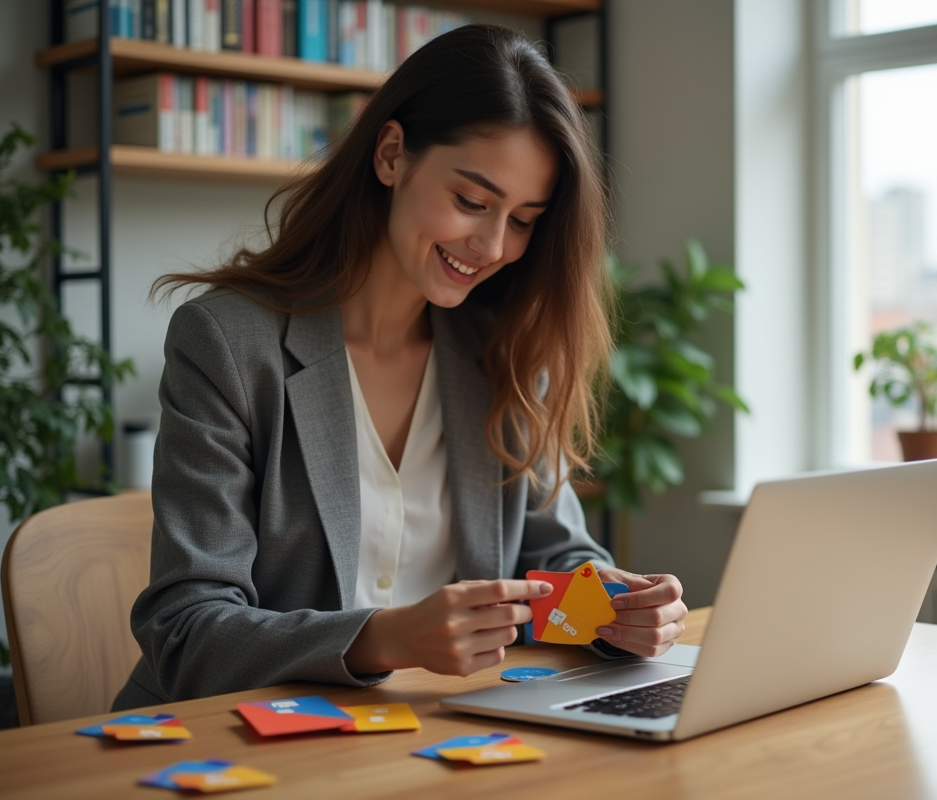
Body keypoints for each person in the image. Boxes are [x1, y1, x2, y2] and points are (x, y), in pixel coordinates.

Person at [112, 24, 687, 710]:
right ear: (391, 154)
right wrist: (386, 638)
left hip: (432, 738)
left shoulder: (503, 349)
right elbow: (184, 631)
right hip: (234, 740)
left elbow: (552, 562)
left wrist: (615, 605)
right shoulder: (229, 345)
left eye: (525, 219)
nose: (494, 245)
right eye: (472, 202)